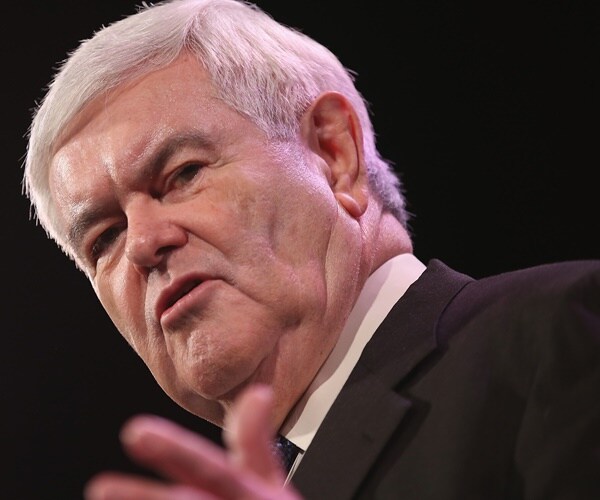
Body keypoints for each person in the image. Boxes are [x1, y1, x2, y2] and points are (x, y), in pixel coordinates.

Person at [22, 0, 599, 498]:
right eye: (105, 237)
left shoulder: (560, 331)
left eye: (183, 174)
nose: (144, 243)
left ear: (333, 153)